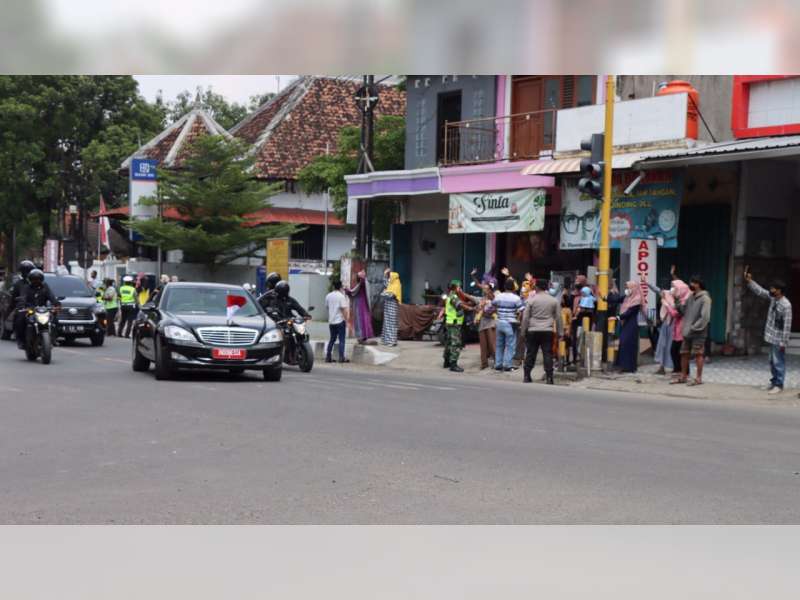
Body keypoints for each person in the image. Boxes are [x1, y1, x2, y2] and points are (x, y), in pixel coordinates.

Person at [745, 270, 793, 395]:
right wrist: (750, 281)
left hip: (779, 339)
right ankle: (773, 381)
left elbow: (787, 325)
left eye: (773, 288)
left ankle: (779, 384)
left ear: (779, 290)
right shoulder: (773, 298)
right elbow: (760, 291)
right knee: (772, 361)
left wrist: (784, 342)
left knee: (778, 361)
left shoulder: (786, 305)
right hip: (771, 336)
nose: (771, 289)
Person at [521, 279, 563, 384]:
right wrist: (560, 333)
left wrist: (523, 331)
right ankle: (549, 377)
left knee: (531, 353)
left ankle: (526, 376)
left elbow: (525, 318)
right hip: (547, 331)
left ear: (537, 287)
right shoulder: (553, 301)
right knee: (547, 354)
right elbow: (558, 318)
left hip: (532, 330)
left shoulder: (531, 300)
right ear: (547, 287)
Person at [673, 275, 712, 386]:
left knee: (698, 354)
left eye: (692, 283)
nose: (691, 285)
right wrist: (676, 300)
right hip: (687, 332)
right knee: (684, 354)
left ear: (698, 284)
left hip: (698, 332)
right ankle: (683, 376)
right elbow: (683, 311)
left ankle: (698, 378)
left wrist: (693, 327)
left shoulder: (705, 298)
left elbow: (705, 317)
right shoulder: (691, 297)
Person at [19, 269, 60, 347]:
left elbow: (51, 297)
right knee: (20, 320)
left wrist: (56, 305)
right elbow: (23, 298)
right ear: (30, 279)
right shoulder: (26, 288)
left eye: (38, 279)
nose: (36, 281)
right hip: (30, 310)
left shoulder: (45, 287)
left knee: (55, 320)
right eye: (34, 279)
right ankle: (22, 341)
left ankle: (54, 339)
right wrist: (22, 306)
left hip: (43, 310)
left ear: (41, 279)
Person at [441, 279, 474, 372]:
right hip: (454, 323)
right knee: (456, 344)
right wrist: (471, 308)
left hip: (450, 322)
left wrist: (468, 304)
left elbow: (461, 303)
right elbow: (460, 305)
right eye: (459, 287)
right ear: (456, 288)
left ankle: (446, 361)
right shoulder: (453, 297)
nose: (460, 288)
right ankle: (453, 364)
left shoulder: (451, 295)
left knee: (449, 343)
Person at [492, 279, 524, 371]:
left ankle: (498, 364)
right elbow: (522, 310)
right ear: (513, 287)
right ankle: (507, 365)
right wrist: (519, 320)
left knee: (499, 345)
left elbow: (493, 305)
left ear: (504, 287)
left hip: (499, 322)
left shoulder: (498, 296)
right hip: (510, 324)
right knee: (510, 345)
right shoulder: (516, 298)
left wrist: (498, 313)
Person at [617, 281, 643, 373]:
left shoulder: (637, 299)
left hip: (632, 324)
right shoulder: (627, 298)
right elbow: (617, 299)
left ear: (634, 288)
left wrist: (618, 317)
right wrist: (604, 297)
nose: (627, 290)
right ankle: (624, 366)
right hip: (625, 323)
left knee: (628, 343)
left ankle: (630, 367)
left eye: (628, 288)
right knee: (623, 343)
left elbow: (629, 312)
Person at [11, 260, 36, 348]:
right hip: (25, 308)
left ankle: (53, 337)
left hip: (38, 308)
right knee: (19, 319)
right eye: (24, 271)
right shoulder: (18, 284)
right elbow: (13, 298)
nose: (26, 273)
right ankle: (20, 339)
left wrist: (55, 303)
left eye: (28, 270)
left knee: (53, 318)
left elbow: (48, 293)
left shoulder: (39, 283)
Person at [345, 270, 374, 343]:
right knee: (361, 320)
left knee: (361, 320)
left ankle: (362, 337)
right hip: (361, 304)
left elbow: (352, 292)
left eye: (358, 277)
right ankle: (362, 337)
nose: (357, 278)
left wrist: (348, 290)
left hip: (360, 305)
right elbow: (353, 292)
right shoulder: (362, 284)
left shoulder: (362, 283)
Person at [325, 279, 350, 363]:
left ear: (333, 286)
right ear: (340, 287)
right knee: (342, 340)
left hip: (331, 322)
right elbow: (344, 310)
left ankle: (328, 356)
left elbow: (327, 307)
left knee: (332, 339)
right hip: (340, 321)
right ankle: (341, 357)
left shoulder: (328, 296)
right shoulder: (341, 296)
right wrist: (347, 321)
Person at [474, 283, 497, 369]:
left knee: (492, 344)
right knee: (483, 345)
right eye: (483, 288)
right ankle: (484, 363)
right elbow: (477, 309)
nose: (484, 290)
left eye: (486, 288)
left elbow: (495, 308)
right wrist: (478, 309)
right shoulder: (482, 298)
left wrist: (485, 311)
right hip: (481, 323)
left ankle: (497, 362)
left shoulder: (493, 297)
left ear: (490, 289)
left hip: (490, 324)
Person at [381, 268, 402, 346]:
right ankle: (387, 340)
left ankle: (391, 341)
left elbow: (390, 295)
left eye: (390, 277)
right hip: (388, 307)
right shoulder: (392, 285)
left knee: (391, 324)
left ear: (393, 277)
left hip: (392, 307)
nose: (389, 278)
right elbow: (386, 284)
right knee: (387, 323)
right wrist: (385, 274)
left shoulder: (396, 285)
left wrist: (383, 293)